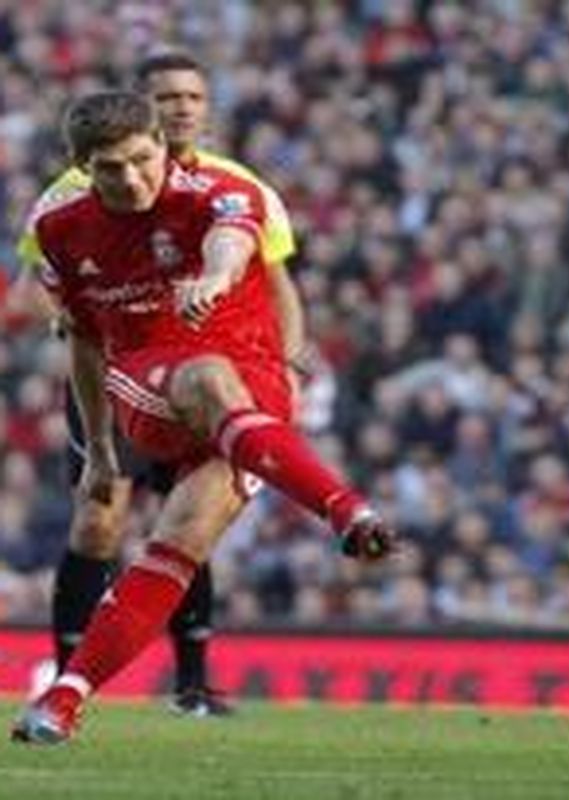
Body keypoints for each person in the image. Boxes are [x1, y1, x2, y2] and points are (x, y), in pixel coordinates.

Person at [11, 90, 394, 745]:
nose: (131, 178)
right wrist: (99, 449)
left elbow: (233, 241)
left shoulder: (220, 188)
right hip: (146, 379)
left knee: (179, 543)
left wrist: (215, 281)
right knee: (204, 379)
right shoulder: (58, 227)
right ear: (82, 167)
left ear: (163, 144)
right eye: (111, 168)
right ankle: (344, 508)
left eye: (141, 159)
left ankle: (64, 700)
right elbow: (81, 341)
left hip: (256, 384)